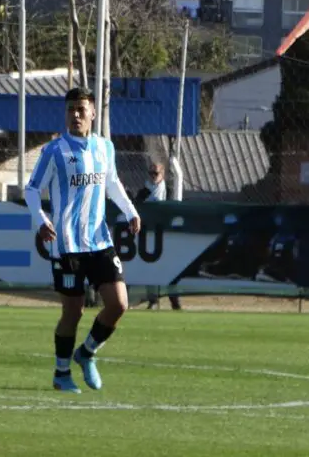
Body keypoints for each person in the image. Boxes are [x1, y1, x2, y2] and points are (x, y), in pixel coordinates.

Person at [24, 87, 141, 394]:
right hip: (66, 244)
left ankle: (86, 353)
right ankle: (61, 373)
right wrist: (41, 219)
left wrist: (130, 211)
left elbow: (111, 182)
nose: (75, 115)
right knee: (73, 312)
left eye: (81, 109)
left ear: (92, 113)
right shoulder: (54, 151)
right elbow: (32, 189)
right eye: (70, 110)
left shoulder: (105, 148)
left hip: (99, 240)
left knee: (119, 304)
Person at [136, 162, 181, 310]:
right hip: (149, 236)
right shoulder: (143, 193)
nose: (153, 177)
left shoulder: (168, 191)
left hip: (166, 235)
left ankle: (174, 300)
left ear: (163, 174)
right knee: (150, 267)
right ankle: (153, 299)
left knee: (170, 268)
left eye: (156, 173)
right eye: (151, 173)